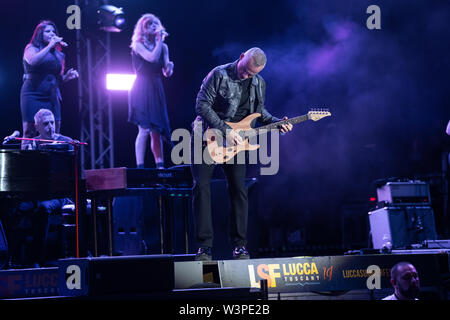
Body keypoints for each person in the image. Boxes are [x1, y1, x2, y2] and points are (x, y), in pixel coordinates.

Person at [191, 48, 292, 261]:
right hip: (207, 136)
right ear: (240, 59)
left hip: (236, 142)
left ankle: (239, 246)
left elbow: (259, 112)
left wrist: (276, 123)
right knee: (202, 187)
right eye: (245, 71)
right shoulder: (218, 74)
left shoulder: (259, 83)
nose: (247, 76)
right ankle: (204, 248)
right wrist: (225, 131)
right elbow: (201, 105)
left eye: (252, 74)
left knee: (239, 190)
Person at [11, 109, 74, 267]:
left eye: (52, 122)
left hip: (58, 195)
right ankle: (15, 258)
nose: (51, 127)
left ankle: (38, 259)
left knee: (43, 209)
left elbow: (73, 172)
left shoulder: (66, 142)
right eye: (46, 124)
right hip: (37, 193)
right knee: (14, 208)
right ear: (37, 127)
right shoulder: (32, 143)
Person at [128, 13, 174, 169]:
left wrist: (170, 67)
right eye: (149, 24)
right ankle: (140, 167)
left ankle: (160, 166)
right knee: (144, 128)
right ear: (143, 28)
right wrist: (160, 41)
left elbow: (166, 72)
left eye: (156, 23)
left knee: (157, 129)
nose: (154, 26)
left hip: (156, 87)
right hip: (142, 86)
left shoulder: (163, 47)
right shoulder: (137, 45)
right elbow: (152, 58)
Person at [20, 20, 78, 141]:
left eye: (53, 31)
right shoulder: (31, 48)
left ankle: (51, 158)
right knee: (29, 132)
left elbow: (57, 79)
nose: (52, 33)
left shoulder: (60, 55)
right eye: (48, 31)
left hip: (51, 96)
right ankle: (26, 158)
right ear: (40, 34)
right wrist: (50, 45)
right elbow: (33, 61)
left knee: (53, 131)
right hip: (32, 94)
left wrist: (66, 77)